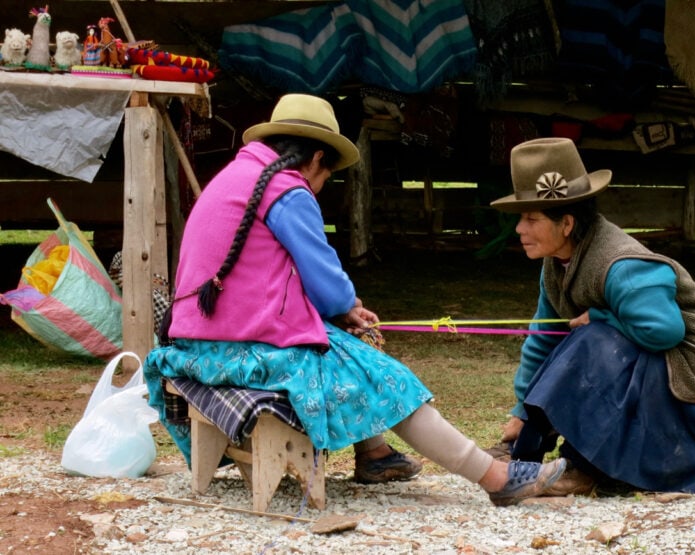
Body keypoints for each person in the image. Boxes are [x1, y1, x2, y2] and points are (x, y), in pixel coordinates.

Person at [143, 94, 565, 506]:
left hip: (196, 347)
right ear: (315, 160)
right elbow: (324, 278)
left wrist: (338, 311)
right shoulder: (287, 188)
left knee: (350, 356)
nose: (323, 185)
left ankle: (376, 454)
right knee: (389, 379)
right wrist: (348, 306)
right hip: (247, 352)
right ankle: (495, 477)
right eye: (327, 176)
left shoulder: (234, 178)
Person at [489, 137, 695, 496]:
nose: (519, 229)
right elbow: (544, 338)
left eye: (531, 219)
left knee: (594, 342)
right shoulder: (555, 267)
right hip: (666, 384)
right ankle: (523, 453)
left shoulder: (622, 266)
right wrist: (522, 413)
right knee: (586, 340)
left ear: (566, 223)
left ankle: (584, 468)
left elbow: (666, 332)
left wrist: (602, 319)